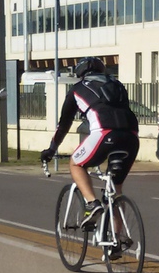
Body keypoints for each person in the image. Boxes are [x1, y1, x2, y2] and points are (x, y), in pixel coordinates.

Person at [40, 57, 140, 230]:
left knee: (76, 164)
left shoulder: (77, 90)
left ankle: (92, 203)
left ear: (80, 73)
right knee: (116, 191)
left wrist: (52, 149)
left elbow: (64, 125)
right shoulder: (118, 85)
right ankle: (118, 241)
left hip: (103, 134)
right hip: (131, 137)